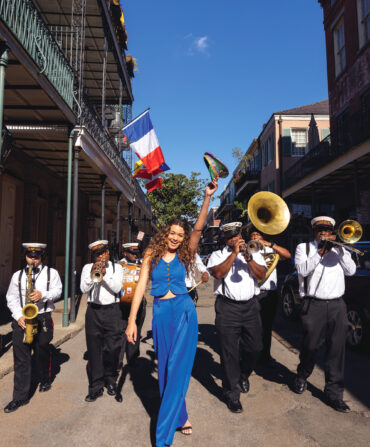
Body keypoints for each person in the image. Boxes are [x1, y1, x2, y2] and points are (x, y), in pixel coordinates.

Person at [126, 178, 218, 447]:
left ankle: (162, 438)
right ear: (165, 232)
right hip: (161, 313)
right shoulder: (150, 255)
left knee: (178, 368)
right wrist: (132, 321)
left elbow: (199, 228)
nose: (177, 237)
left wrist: (207, 198)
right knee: (166, 369)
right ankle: (181, 415)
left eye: (181, 234)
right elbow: (141, 287)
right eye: (173, 233)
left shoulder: (187, 251)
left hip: (184, 312)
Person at [293, 216, 356, 413]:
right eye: (320, 231)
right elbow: (302, 269)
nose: (324, 234)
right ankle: (302, 374)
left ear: (333, 232)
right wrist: (321, 251)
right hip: (314, 304)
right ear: (315, 232)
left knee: (336, 351)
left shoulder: (340, 249)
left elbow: (351, 271)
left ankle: (334, 394)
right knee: (310, 346)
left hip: (337, 305)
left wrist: (340, 251)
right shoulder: (305, 248)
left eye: (327, 231)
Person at [207, 222, 267, 413]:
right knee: (229, 353)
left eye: (236, 236)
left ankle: (243, 374)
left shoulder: (253, 251)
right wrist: (234, 254)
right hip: (227, 307)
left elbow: (262, 274)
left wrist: (248, 257)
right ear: (225, 238)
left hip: (250, 306)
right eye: (230, 237)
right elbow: (217, 273)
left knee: (256, 347)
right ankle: (232, 394)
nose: (234, 239)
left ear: (241, 234)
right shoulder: (218, 254)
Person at [4, 243, 62, 413]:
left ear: (42, 256)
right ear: (25, 256)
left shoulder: (52, 273)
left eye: (37, 257)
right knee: (21, 359)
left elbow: (58, 291)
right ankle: (19, 397)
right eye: (30, 256)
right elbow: (11, 298)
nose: (33, 260)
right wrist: (18, 316)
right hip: (23, 319)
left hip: (43, 317)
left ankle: (44, 378)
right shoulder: (18, 276)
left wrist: (43, 294)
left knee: (42, 351)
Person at [80, 240, 124, 402]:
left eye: (102, 254)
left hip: (112, 310)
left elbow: (117, 288)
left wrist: (104, 276)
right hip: (94, 311)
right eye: (97, 255)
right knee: (94, 349)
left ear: (107, 253)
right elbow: (83, 289)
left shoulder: (117, 268)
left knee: (113, 348)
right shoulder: (87, 268)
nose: (100, 257)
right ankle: (96, 386)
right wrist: (93, 275)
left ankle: (111, 380)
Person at [248, 226, 291, 366]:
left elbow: (287, 255)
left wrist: (271, 244)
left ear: (263, 237)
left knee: (267, 328)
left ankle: (265, 356)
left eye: (258, 235)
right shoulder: (248, 251)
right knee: (252, 328)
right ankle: (250, 357)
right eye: (252, 235)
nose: (255, 237)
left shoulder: (272, 250)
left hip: (269, 294)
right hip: (253, 295)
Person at [115, 242, 146, 402]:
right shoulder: (118, 266)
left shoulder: (143, 265)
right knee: (121, 332)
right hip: (122, 305)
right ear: (125, 252)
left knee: (136, 332)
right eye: (132, 253)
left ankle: (133, 359)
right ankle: (119, 361)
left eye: (137, 253)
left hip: (139, 304)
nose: (135, 255)